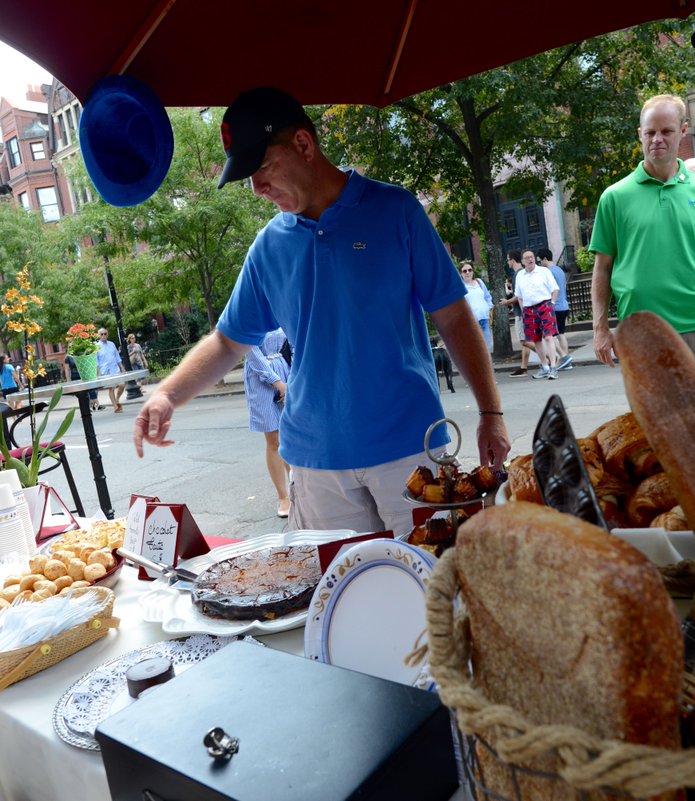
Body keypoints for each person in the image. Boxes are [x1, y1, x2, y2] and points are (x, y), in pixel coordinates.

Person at [135, 86, 510, 535]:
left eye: (262, 168)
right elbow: (228, 341)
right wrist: (166, 394)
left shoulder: (396, 211)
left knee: (429, 584)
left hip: (409, 450)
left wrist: (491, 414)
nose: (256, 188)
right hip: (315, 464)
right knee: (336, 595)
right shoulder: (268, 247)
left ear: (303, 145)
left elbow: (452, 316)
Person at [589, 94, 695, 388]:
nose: (657, 139)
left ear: (683, 131)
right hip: (641, 334)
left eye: (666, 131)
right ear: (640, 135)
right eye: (650, 132)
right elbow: (603, 268)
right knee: (656, 430)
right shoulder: (614, 197)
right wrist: (600, 329)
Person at [243, 329, 292, 518]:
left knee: (292, 435)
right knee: (274, 440)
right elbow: (250, 351)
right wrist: (276, 382)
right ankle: (283, 496)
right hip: (260, 378)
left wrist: (293, 376)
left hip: (288, 373)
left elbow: (293, 343)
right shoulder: (250, 310)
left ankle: (299, 489)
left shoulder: (283, 304)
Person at [499, 249, 561, 379]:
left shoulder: (544, 272)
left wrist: (552, 303)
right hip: (528, 309)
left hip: (544, 305)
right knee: (536, 340)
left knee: (548, 337)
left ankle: (553, 367)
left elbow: (555, 289)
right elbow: (519, 295)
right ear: (522, 261)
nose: (530, 259)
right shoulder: (520, 275)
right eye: (527, 258)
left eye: (532, 257)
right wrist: (523, 310)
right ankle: (545, 367)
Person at [537, 247, 574, 371]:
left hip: (555, 307)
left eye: (539, 261)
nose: (540, 264)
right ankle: (566, 360)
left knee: (551, 335)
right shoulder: (560, 270)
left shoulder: (549, 272)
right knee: (561, 334)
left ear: (545, 259)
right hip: (564, 305)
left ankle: (563, 359)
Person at [502, 250, 537, 377]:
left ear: (512, 260)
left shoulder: (518, 274)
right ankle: (523, 367)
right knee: (525, 341)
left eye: (507, 260)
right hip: (524, 311)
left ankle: (549, 357)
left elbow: (518, 295)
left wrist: (507, 302)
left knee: (524, 341)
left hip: (521, 312)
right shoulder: (522, 273)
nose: (507, 262)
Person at [459, 260, 494, 351]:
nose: (468, 273)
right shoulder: (460, 287)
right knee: (477, 348)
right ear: (461, 273)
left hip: (484, 319)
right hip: (471, 322)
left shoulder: (479, 282)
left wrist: (489, 308)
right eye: (464, 271)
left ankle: (488, 365)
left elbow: (487, 296)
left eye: (470, 270)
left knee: (487, 347)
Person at [95, 327, 124, 413]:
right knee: (111, 388)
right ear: (98, 335)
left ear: (107, 335)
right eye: (102, 334)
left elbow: (117, 356)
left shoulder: (112, 344)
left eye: (105, 334)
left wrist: (121, 367)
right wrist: (98, 372)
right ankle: (115, 407)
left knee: (122, 385)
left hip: (115, 369)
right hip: (105, 370)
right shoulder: (96, 346)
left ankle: (117, 399)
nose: (104, 335)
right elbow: (96, 361)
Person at [124, 333, 147, 400]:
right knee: (138, 377)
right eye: (132, 338)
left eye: (134, 338)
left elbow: (141, 354)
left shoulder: (138, 345)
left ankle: (140, 387)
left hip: (139, 362)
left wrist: (145, 361)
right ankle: (140, 389)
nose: (133, 339)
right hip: (134, 363)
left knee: (142, 376)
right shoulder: (129, 347)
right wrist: (133, 352)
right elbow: (127, 355)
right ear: (129, 339)